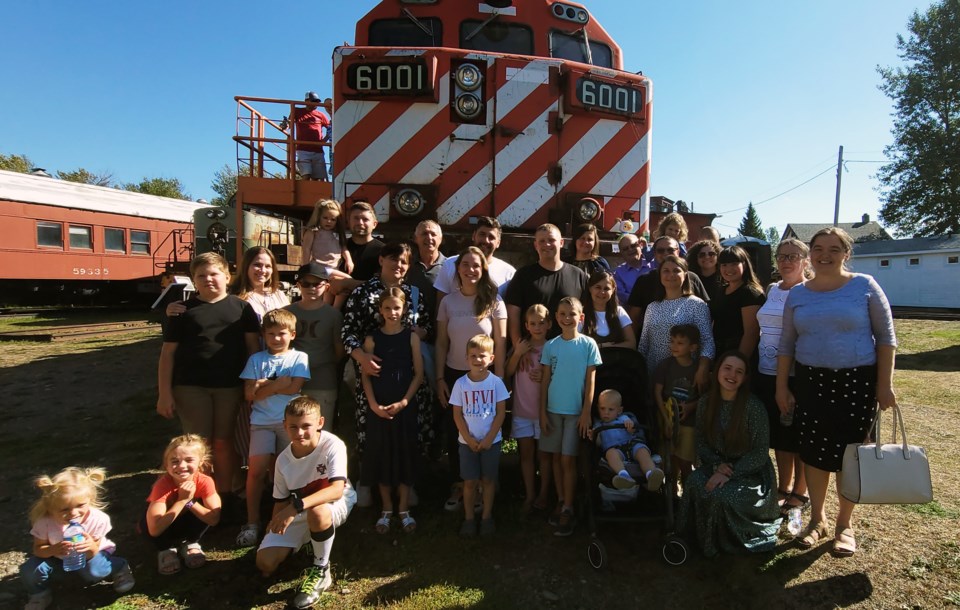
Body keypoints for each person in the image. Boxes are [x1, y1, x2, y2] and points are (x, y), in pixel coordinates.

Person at [776, 227, 897, 557]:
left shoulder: (864, 286)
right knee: (814, 454)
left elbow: (886, 339)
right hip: (811, 383)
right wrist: (782, 385)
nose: (824, 255)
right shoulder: (798, 294)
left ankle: (845, 524)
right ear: (810, 253)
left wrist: (884, 385)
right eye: (818, 248)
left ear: (846, 253)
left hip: (857, 384)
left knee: (850, 455)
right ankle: (818, 520)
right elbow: (786, 345)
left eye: (833, 249)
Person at [157, 253, 261, 497]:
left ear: (227, 276)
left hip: (229, 386)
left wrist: (251, 382)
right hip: (190, 387)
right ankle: (200, 494)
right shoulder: (182, 311)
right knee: (197, 445)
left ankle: (224, 494)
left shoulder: (242, 309)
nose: (208, 280)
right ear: (193, 280)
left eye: (214, 274)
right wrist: (164, 393)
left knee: (223, 442)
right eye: (201, 276)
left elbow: (253, 349)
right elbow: (167, 354)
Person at [341, 242, 433, 504]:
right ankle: (369, 482)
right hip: (374, 371)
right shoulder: (362, 293)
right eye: (394, 259)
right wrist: (362, 358)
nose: (399, 265)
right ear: (382, 260)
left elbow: (427, 327)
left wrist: (422, 333)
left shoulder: (414, 294)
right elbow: (347, 331)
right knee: (371, 429)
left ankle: (407, 484)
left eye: (404, 261)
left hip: (408, 372)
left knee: (409, 430)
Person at [255, 396, 358, 609]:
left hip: (335, 501)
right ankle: (312, 541)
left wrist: (295, 507)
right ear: (284, 425)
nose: (300, 433)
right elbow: (281, 500)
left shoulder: (333, 444)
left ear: (320, 423)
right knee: (265, 563)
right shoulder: (283, 461)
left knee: (318, 513)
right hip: (300, 510)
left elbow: (336, 490)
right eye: (293, 426)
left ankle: (321, 569)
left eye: (306, 426)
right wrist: (274, 524)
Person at [678, 351, 781, 557]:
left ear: (744, 378)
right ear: (717, 371)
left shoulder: (754, 408)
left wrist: (729, 472)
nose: (732, 374)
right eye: (727, 368)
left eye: (739, 371)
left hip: (751, 474)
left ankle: (718, 545)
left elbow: (760, 452)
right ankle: (690, 538)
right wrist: (717, 466)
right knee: (694, 481)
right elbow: (700, 442)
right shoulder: (706, 403)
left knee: (721, 495)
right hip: (716, 465)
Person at [434, 246, 507, 511]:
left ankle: (484, 484)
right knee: (457, 430)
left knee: (485, 429)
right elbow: (441, 342)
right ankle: (460, 482)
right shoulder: (447, 302)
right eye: (465, 264)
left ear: (483, 270)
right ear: (458, 269)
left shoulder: (494, 301)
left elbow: (501, 341)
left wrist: (497, 379)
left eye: (476, 265)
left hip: (486, 377)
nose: (470, 270)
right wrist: (440, 377)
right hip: (455, 374)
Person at [237, 309, 310, 547]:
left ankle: (285, 518)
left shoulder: (299, 357)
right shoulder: (256, 360)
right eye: (271, 334)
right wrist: (277, 383)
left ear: (292, 334)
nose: (277, 339)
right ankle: (251, 521)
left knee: (286, 471)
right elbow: (249, 395)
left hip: (289, 423)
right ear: (263, 335)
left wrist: (263, 386)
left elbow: (294, 387)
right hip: (261, 423)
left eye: (282, 334)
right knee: (256, 471)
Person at [20, 467, 135, 609]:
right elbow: (38, 550)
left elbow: (95, 549)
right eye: (64, 510)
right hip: (58, 559)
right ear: (50, 508)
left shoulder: (97, 518)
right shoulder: (45, 522)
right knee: (30, 569)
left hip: (93, 556)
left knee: (94, 572)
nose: (73, 513)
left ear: (90, 500)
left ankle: (119, 567)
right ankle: (39, 595)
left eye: (80, 506)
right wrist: (53, 549)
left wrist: (89, 547)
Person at [360, 288, 424, 534]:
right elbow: (365, 377)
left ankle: (404, 509)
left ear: (404, 310)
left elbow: (418, 373)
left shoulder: (411, 338)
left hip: (404, 407)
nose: (392, 312)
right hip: (380, 407)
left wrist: (405, 401)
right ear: (380, 311)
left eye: (396, 308)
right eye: (387, 308)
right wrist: (374, 406)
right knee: (383, 455)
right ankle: (386, 509)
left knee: (405, 454)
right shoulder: (372, 339)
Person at [755, 238, 810, 515]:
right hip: (766, 370)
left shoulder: (810, 290)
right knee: (779, 434)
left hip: (796, 373)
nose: (787, 261)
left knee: (797, 434)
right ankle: (783, 487)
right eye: (782, 256)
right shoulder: (772, 289)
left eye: (794, 256)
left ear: (805, 261)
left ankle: (801, 491)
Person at [539, 296, 602, 536]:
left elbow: (591, 382)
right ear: (556, 318)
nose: (567, 318)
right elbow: (544, 382)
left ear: (581, 317)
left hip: (575, 413)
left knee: (568, 459)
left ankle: (569, 506)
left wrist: (586, 413)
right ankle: (562, 501)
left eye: (572, 314)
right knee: (555, 458)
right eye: (562, 314)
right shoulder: (551, 345)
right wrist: (541, 412)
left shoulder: (588, 345)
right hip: (553, 412)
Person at [449, 334, 510, 537]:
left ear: (491, 358)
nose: (477, 360)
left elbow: (501, 412)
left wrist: (488, 439)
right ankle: (468, 518)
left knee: (488, 480)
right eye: (473, 356)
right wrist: (468, 439)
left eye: (482, 356)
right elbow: (457, 414)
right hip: (467, 444)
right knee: (469, 482)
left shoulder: (496, 383)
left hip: (491, 443)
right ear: (466, 358)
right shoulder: (460, 384)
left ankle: (486, 516)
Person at [143, 435, 222, 575]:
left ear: (201, 462)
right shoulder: (162, 486)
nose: (181, 466)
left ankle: (191, 543)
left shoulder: (205, 481)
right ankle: (166, 549)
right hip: (165, 528)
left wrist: (190, 502)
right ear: (166, 464)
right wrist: (182, 500)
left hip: (188, 522)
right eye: (174, 461)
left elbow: (213, 519)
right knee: (149, 520)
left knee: (204, 507)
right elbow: (154, 530)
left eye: (189, 460)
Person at [637, 255, 714, 390]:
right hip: (654, 373)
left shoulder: (696, 305)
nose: (671, 275)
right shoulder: (652, 307)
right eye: (666, 271)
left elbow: (707, 341)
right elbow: (644, 344)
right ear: (660, 276)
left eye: (676, 271)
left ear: (685, 275)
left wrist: (702, 369)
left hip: (683, 375)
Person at [506, 223, 588, 344]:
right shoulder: (523, 275)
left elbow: (587, 314)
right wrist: (519, 348)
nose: (547, 244)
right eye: (542, 241)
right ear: (535, 245)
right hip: (534, 353)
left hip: (569, 350)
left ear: (561, 243)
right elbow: (513, 317)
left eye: (551, 240)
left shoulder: (578, 275)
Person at [285, 263, 345, 426]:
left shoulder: (334, 316)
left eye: (316, 283)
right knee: (293, 435)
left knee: (322, 434)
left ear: (326, 286)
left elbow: (339, 350)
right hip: (289, 383)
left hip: (323, 382)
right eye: (306, 283)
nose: (311, 288)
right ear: (298, 285)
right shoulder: (286, 312)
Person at [505, 304, 551, 513]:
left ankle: (544, 494)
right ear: (526, 325)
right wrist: (517, 353)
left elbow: (559, 376)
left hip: (544, 413)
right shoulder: (521, 346)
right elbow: (508, 372)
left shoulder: (553, 347)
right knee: (526, 454)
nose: (537, 327)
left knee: (544, 455)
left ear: (549, 324)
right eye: (533, 323)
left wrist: (545, 376)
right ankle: (530, 494)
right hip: (522, 411)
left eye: (541, 322)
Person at [626, 236, 710, 335]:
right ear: (655, 254)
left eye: (670, 250)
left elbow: (705, 314)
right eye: (661, 250)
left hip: (688, 346)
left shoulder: (692, 278)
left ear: (678, 252)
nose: (666, 253)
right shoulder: (643, 281)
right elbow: (634, 316)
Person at [652, 324, 702, 481]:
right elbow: (657, 393)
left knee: (685, 463)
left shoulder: (698, 369)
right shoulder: (665, 365)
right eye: (672, 341)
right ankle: (671, 497)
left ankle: (687, 498)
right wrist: (665, 419)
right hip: (666, 420)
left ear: (693, 347)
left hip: (688, 423)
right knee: (668, 461)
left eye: (680, 343)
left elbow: (705, 397)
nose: (674, 346)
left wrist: (690, 407)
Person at [588, 389, 664, 491]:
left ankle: (651, 474)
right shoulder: (598, 425)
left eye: (611, 409)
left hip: (632, 444)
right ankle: (624, 476)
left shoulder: (624, 418)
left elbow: (633, 430)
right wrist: (594, 436)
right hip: (615, 450)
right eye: (602, 408)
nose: (606, 412)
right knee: (610, 454)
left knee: (643, 452)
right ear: (598, 408)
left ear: (619, 410)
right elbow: (599, 444)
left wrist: (630, 426)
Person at [405, 220, 446, 394]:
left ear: (441, 239)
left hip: (443, 339)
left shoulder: (451, 267)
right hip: (414, 338)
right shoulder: (406, 267)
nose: (429, 237)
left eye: (433, 234)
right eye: (424, 234)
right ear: (415, 238)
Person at [434, 216, 515, 299]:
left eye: (491, 237)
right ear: (474, 236)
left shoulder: (509, 273)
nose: (486, 240)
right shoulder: (450, 264)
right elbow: (440, 306)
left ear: (498, 243)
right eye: (482, 234)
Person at [711, 246, 765, 361]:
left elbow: (751, 333)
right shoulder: (721, 290)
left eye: (734, 264)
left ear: (744, 265)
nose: (729, 269)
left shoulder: (750, 293)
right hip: (721, 354)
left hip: (739, 357)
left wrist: (739, 362)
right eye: (724, 265)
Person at [300, 199, 354, 307]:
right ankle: (335, 309)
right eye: (325, 218)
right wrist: (305, 269)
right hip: (320, 268)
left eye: (333, 219)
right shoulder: (313, 232)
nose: (329, 221)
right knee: (349, 280)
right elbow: (306, 250)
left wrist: (349, 260)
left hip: (333, 269)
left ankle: (330, 309)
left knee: (331, 291)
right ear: (319, 217)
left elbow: (343, 248)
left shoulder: (337, 234)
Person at [580, 271, 636, 349]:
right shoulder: (580, 313)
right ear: (590, 288)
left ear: (613, 290)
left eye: (606, 288)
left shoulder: (619, 312)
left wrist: (606, 346)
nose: (602, 292)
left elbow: (631, 344)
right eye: (598, 287)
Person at [290, 91, 331, 181]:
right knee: (306, 174)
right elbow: (289, 124)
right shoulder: (297, 111)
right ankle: (304, 194)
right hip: (303, 149)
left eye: (317, 101)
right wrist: (285, 125)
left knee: (319, 178)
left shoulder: (320, 115)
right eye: (314, 101)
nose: (316, 104)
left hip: (318, 150)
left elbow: (330, 128)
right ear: (306, 101)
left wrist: (324, 140)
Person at [613, 233, 652, 305]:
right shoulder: (618, 273)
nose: (630, 250)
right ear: (621, 253)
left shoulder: (653, 266)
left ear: (640, 245)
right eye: (625, 249)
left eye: (633, 246)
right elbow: (622, 296)